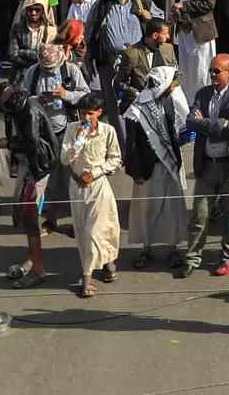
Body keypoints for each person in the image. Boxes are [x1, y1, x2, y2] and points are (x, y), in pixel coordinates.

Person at [181, 52, 229, 278]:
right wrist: (219, 124)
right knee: (199, 215)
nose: (212, 74)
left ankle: (228, 257)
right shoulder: (202, 94)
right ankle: (192, 257)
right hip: (207, 164)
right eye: (210, 70)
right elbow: (190, 122)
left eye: (216, 71)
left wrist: (204, 122)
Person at [121, 65, 190, 270]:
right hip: (147, 169)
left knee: (171, 208)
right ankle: (146, 249)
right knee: (146, 210)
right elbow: (131, 144)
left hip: (169, 165)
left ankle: (173, 248)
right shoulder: (137, 110)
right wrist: (135, 172)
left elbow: (176, 131)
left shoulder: (169, 102)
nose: (174, 87)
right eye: (171, 84)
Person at [61, 91, 122, 297]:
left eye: (89, 113)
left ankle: (87, 278)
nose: (85, 118)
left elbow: (115, 159)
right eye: (82, 113)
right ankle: (106, 263)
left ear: (99, 112)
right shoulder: (72, 129)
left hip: (98, 187)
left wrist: (94, 173)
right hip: (77, 188)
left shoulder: (108, 131)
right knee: (82, 232)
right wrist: (78, 142)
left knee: (96, 231)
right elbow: (64, 160)